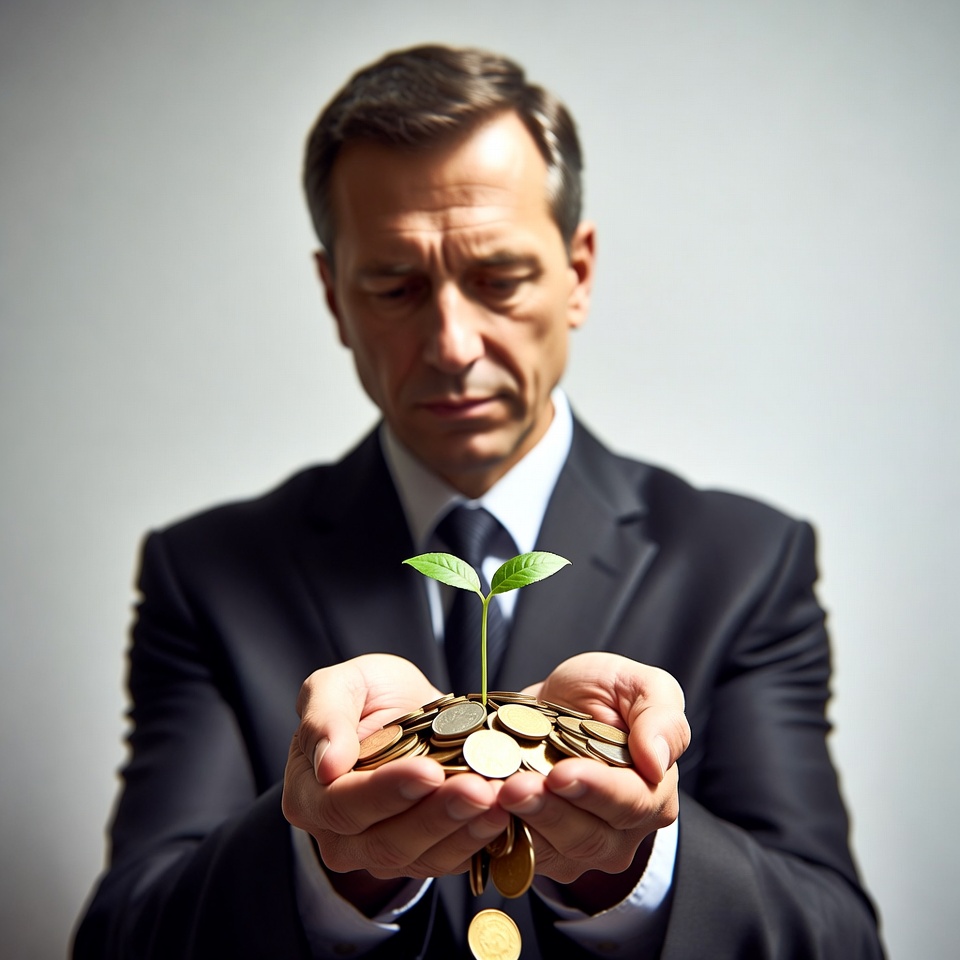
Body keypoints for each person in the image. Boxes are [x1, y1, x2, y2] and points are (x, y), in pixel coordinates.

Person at [73, 44, 885, 958]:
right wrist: (330, 862)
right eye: (395, 286)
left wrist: (637, 866)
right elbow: (123, 937)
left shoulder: (744, 561)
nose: (453, 343)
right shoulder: (206, 576)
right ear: (334, 298)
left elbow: (839, 938)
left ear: (577, 272)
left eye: (498, 280)